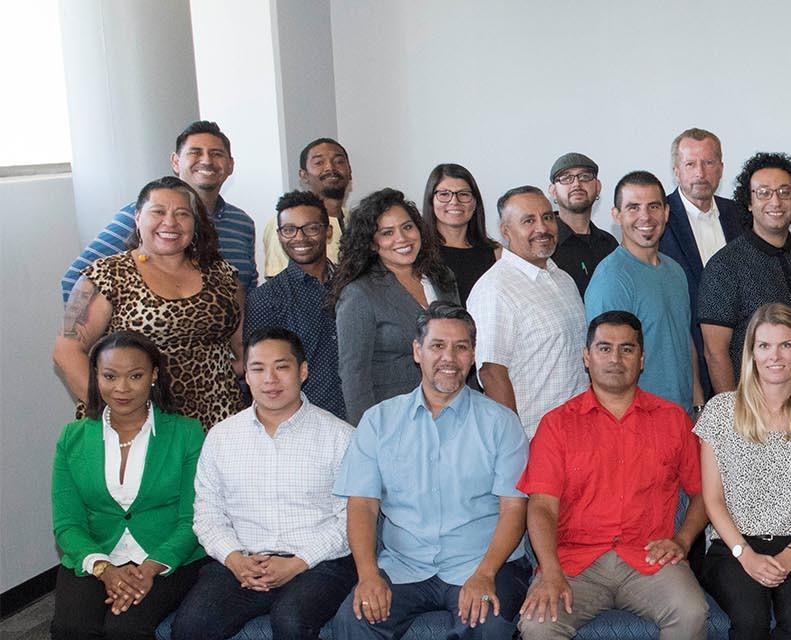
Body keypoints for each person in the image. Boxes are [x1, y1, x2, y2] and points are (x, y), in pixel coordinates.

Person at [330, 302, 533, 640]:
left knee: (489, 626)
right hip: (404, 564)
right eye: (437, 346)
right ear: (417, 351)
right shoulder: (379, 421)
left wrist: (485, 573)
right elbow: (363, 505)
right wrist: (367, 574)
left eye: (461, 347)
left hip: (482, 562)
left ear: (472, 356)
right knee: (354, 622)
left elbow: (514, 507)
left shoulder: (501, 423)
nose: (449, 358)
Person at [517, 312, 711, 640]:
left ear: (642, 358)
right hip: (576, 563)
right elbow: (541, 508)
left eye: (627, 349)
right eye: (604, 348)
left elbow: (704, 493)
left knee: (692, 613)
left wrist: (682, 541)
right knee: (538, 626)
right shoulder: (557, 425)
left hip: (648, 558)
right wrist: (550, 572)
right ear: (586, 357)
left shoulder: (672, 420)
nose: (615, 359)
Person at [173, 329, 357, 640]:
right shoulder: (222, 437)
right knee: (192, 626)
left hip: (317, 564)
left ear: (303, 371)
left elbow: (351, 519)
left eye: (281, 367)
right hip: (242, 561)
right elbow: (207, 514)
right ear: (246, 374)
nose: (269, 379)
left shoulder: (340, 437)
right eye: (258, 368)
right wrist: (234, 559)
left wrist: (298, 563)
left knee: (291, 621)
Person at [697, 304, 791, 640]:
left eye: (785, 345)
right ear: (751, 352)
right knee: (751, 620)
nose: (774, 356)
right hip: (731, 547)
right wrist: (744, 555)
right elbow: (712, 499)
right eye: (764, 346)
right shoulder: (721, 412)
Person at [50, 332, 209, 640]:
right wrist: (104, 569)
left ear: (153, 375)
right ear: (96, 376)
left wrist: (149, 568)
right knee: (72, 628)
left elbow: (192, 519)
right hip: (96, 553)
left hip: (166, 556)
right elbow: (68, 524)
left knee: (125, 629)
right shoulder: (72, 438)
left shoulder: (187, 434)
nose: (122, 388)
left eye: (135, 376)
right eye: (110, 376)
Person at [55, 176, 245, 426]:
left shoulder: (222, 274)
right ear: (137, 218)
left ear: (195, 223)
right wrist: (112, 412)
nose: (170, 222)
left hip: (217, 421)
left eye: (182, 214)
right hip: (140, 425)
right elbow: (65, 350)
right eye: (158, 212)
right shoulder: (104, 275)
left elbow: (243, 350)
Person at [63, 120, 256, 298]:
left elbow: (248, 290)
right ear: (175, 162)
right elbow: (74, 280)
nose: (206, 161)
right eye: (195, 152)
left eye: (216, 154)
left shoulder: (242, 224)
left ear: (230, 165)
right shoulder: (141, 217)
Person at [700, 153, 791, 398]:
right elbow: (715, 352)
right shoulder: (724, 266)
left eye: (784, 192)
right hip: (754, 415)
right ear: (749, 202)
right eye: (763, 192)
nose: (775, 201)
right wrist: (733, 419)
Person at [332, 188, 459, 425]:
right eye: (387, 232)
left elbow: (462, 347)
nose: (402, 238)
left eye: (407, 227)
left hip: (453, 414)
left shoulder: (443, 277)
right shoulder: (359, 294)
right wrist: (367, 434)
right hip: (394, 421)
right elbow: (353, 375)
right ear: (371, 243)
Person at [470, 186, 590, 436]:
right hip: (532, 438)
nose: (542, 228)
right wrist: (513, 445)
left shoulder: (564, 279)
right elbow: (491, 373)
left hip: (579, 433)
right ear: (506, 231)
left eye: (547, 217)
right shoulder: (495, 289)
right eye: (528, 221)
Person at [584, 171, 702, 413]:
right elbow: (606, 365)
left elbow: (684, 339)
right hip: (638, 422)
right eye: (633, 208)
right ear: (616, 215)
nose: (645, 217)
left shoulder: (675, 271)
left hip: (682, 417)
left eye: (653, 206)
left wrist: (698, 404)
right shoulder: (611, 279)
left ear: (666, 212)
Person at [662, 128, 749, 396]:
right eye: (690, 164)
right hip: (687, 364)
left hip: (744, 360)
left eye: (708, 163)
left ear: (721, 168)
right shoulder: (658, 218)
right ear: (676, 170)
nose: (700, 173)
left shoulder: (741, 215)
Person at [247, 191, 347, 419]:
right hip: (304, 420)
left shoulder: (353, 285)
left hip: (361, 412)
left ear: (328, 231)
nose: (299, 238)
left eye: (311, 228)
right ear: (280, 235)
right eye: (289, 230)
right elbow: (259, 369)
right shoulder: (266, 298)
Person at [261, 138, 355, 279]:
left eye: (339, 161)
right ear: (303, 175)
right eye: (319, 163)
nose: (330, 168)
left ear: (350, 171)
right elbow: (278, 285)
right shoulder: (285, 224)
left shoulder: (356, 220)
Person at [422, 163, 500, 303]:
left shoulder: (496, 253)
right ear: (431, 200)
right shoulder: (419, 253)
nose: (454, 201)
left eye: (463, 194)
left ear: (475, 202)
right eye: (444, 194)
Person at [549, 152, 617, 294]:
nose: (576, 184)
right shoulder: (546, 245)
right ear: (553, 191)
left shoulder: (609, 244)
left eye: (585, 176)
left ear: (598, 187)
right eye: (566, 178)